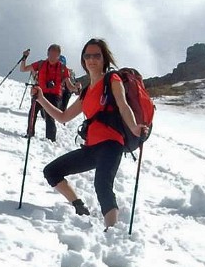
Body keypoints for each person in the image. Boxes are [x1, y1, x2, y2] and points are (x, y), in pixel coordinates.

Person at [33, 38, 141, 227]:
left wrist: (133, 127)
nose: (92, 59)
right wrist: (41, 99)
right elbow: (63, 117)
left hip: (111, 144)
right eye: (87, 55)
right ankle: (78, 204)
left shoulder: (112, 79)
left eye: (96, 55)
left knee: (102, 185)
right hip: (91, 148)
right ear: (83, 60)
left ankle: (112, 232)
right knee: (52, 171)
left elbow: (123, 106)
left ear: (104, 58)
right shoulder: (86, 92)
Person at [19, 44, 79, 141]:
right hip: (40, 93)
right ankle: (30, 133)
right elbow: (23, 69)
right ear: (47, 54)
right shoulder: (41, 64)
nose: (52, 58)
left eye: (55, 56)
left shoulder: (63, 69)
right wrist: (24, 58)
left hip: (54, 96)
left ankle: (50, 139)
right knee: (32, 112)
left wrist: (76, 88)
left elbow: (69, 86)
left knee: (50, 117)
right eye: (51, 55)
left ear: (59, 56)